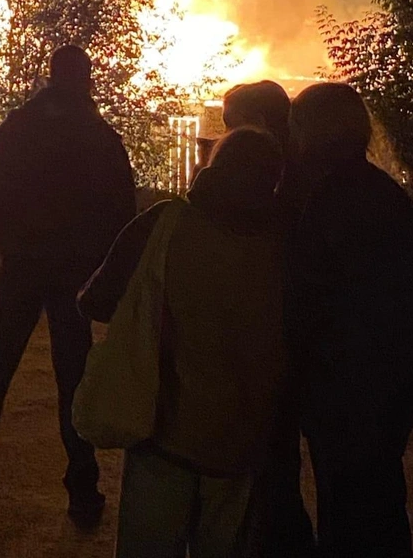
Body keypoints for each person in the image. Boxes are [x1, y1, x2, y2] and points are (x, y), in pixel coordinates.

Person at [0, 44, 136, 529]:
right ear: (86, 80)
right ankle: (83, 490)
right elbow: (121, 212)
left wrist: (9, 243)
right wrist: (98, 265)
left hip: (22, 266)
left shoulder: (16, 130)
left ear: (50, 77)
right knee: (74, 378)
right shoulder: (99, 137)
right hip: (74, 274)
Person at [79, 126, 286, 558]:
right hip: (241, 439)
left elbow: (96, 301)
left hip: (163, 428)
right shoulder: (285, 242)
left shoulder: (165, 224)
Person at [287, 82, 413, 558]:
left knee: (348, 505)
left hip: (346, 384)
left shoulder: (323, 197)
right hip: (393, 380)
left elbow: (309, 296)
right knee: (378, 497)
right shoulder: (383, 194)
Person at [222, 80, 315, 557]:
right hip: (303, 342)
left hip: (276, 343)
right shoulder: (304, 177)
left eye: (231, 124)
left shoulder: (275, 192)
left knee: (269, 456)